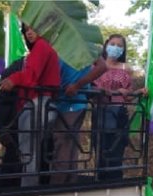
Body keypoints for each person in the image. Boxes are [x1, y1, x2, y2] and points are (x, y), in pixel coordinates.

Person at [0, 23, 61, 186]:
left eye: (33, 29)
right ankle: (31, 185)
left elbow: (31, 75)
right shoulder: (43, 48)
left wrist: (13, 79)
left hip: (37, 103)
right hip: (44, 103)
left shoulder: (41, 46)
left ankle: (28, 188)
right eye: (26, 30)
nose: (29, 33)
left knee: (28, 152)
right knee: (33, 151)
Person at [49, 56, 107, 184]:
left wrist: (77, 85)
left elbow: (102, 66)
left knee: (63, 144)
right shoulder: (60, 42)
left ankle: (56, 187)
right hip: (59, 101)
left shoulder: (85, 42)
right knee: (68, 145)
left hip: (72, 102)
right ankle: (69, 183)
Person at [93, 34, 143, 180]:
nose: (115, 48)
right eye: (112, 44)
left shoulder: (126, 68)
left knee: (116, 152)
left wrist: (137, 93)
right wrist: (113, 92)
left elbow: (127, 94)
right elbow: (94, 89)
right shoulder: (96, 65)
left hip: (119, 114)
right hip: (101, 112)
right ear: (107, 45)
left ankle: (115, 182)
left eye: (119, 46)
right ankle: (100, 182)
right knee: (102, 151)